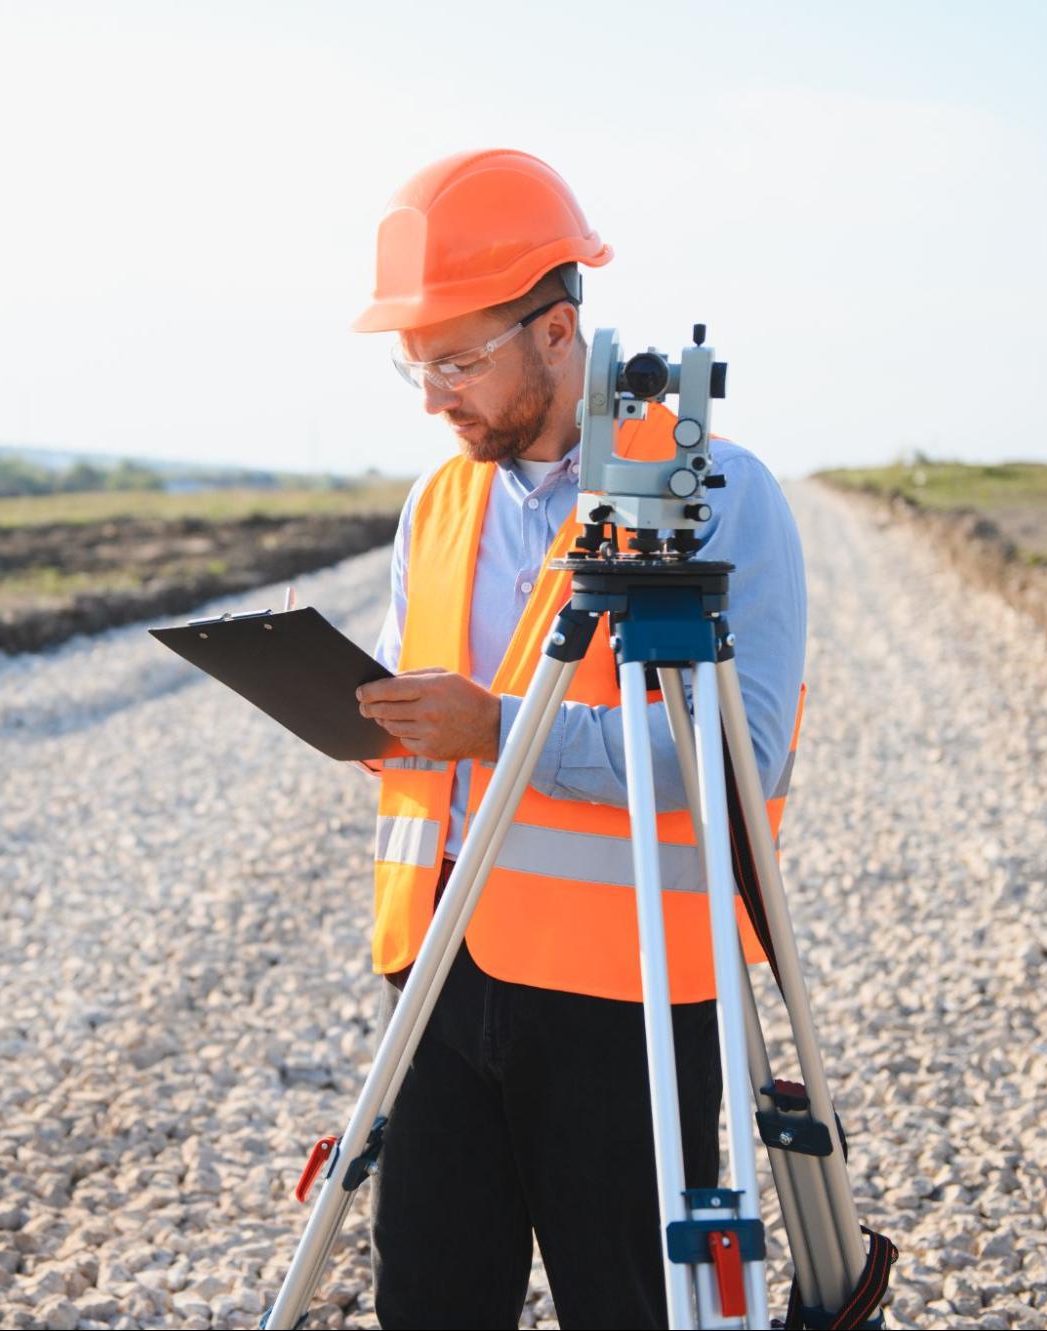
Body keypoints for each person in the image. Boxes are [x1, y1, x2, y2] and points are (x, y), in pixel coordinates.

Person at [345, 148, 808, 1328]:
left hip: (626, 992)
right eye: (414, 363)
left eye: (456, 360)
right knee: (431, 1305)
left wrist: (495, 729)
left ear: (557, 331)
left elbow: (733, 768)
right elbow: (426, 721)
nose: (432, 395)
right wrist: (376, 722)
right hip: (441, 974)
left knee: (635, 1307)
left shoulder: (709, 492)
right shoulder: (437, 501)